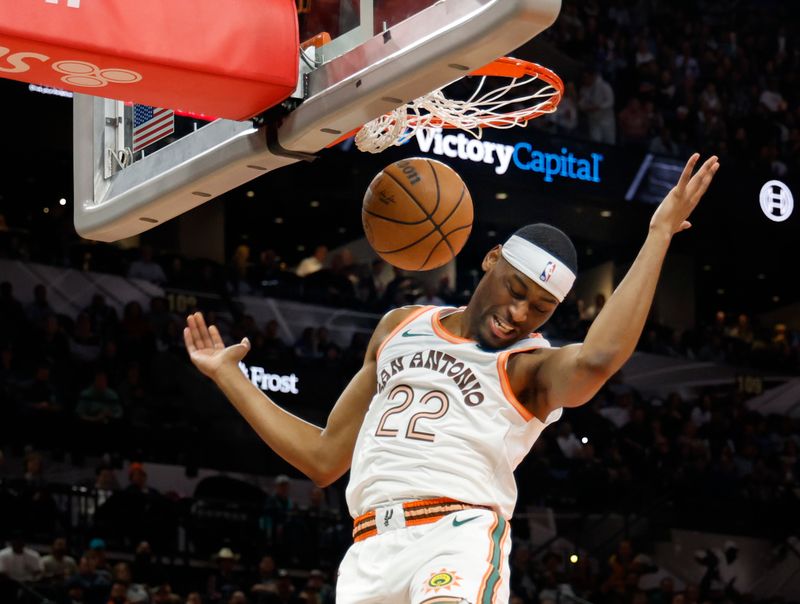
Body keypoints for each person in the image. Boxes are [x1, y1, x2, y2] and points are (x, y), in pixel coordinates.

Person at [183, 154, 719, 603]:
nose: (520, 313)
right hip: (369, 549)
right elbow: (323, 459)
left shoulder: (528, 367)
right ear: (490, 260)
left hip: (456, 536)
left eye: (540, 307)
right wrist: (229, 377)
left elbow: (599, 358)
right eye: (515, 289)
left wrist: (659, 235)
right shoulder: (399, 327)